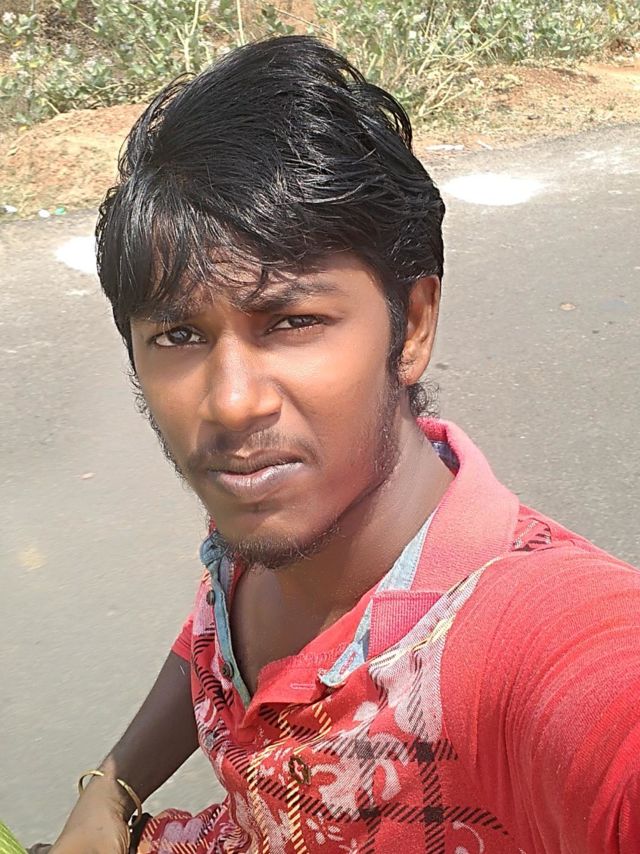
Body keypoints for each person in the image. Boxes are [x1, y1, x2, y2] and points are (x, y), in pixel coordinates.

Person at [49, 35, 640, 854]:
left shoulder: (519, 634)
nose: (232, 403)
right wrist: (112, 787)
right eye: (179, 335)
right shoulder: (267, 516)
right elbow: (210, 635)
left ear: (413, 326)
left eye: (293, 322)